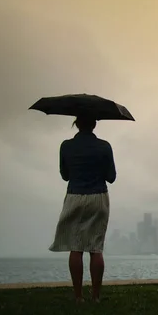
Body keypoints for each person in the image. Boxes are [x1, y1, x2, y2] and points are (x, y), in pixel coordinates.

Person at [49, 114, 116, 303]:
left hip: (74, 196)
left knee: (75, 247)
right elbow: (111, 177)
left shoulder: (66, 146)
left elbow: (65, 175)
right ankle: (95, 296)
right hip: (98, 197)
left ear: (76, 124)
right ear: (94, 124)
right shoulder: (104, 146)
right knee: (95, 248)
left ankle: (78, 296)